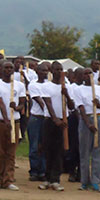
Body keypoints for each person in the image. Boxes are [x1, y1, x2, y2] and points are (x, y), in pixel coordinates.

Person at [76, 67, 100, 192]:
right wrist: (88, 124)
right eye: (85, 74)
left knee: (99, 150)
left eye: (90, 73)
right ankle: (84, 182)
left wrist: (99, 105)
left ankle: (96, 181)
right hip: (86, 120)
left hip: (99, 118)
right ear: (82, 76)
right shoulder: (78, 90)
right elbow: (81, 109)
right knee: (85, 151)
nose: (88, 75)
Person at [0, 60, 25, 190]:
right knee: (0, 150)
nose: (8, 70)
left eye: (11, 68)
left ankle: (9, 179)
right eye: (6, 68)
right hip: (0, 121)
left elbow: (22, 104)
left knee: (11, 152)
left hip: (15, 121)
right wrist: (6, 120)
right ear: (1, 70)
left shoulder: (19, 86)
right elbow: (1, 104)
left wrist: (17, 107)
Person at [40, 62, 75, 191]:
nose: (59, 72)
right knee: (48, 150)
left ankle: (56, 179)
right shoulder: (46, 86)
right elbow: (48, 104)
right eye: (57, 69)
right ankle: (47, 178)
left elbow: (71, 106)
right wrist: (55, 120)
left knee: (59, 151)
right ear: (51, 71)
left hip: (63, 121)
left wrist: (66, 94)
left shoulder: (67, 87)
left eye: (61, 69)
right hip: (50, 121)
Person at [27, 62, 49, 181]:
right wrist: (48, 112)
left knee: (44, 145)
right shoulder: (33, 85)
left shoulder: (49, 84)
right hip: (37, 118)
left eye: (46, 71)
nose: (45, 73)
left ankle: (43, 170)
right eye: (42, 71)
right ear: (37, 72)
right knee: (35, 146)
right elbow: (40, 101)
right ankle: (34, 171)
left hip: (46, 117)